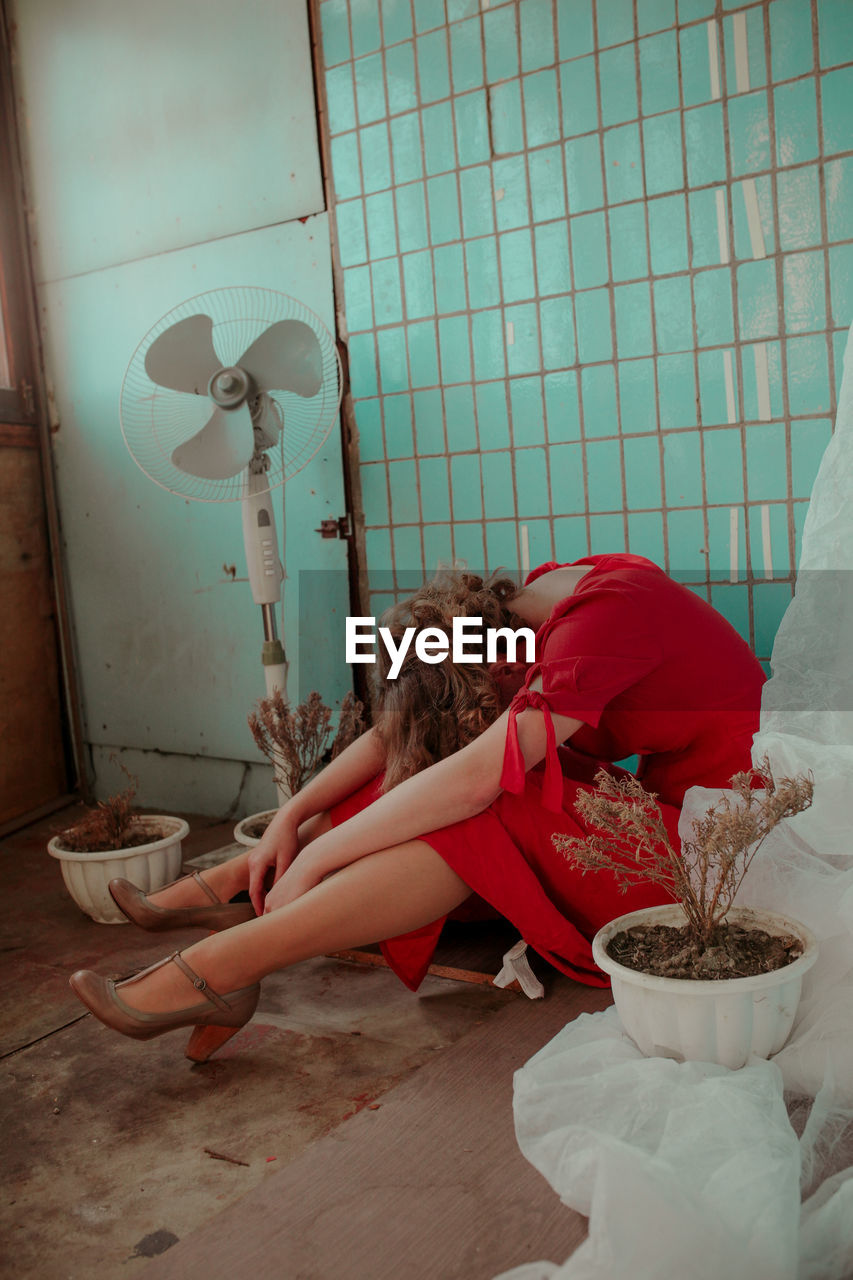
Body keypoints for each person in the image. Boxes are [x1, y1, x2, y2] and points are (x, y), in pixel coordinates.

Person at [70, 554, 766, 1061]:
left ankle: (223, 965)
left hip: (722, 854)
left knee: (486, 802)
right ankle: (241, 887)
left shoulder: (601, 624)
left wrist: (320, 854)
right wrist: (290, 820)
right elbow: (404, 733)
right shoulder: (530, 607)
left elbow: (471, 780)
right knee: (458, 772)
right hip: (662, 812)